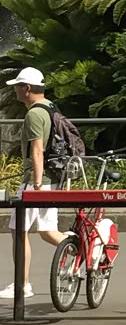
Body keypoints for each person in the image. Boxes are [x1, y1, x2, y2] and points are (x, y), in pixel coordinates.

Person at [4, 67, 68, 301]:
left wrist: (36, 185)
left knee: (18, 229)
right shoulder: (50, 107)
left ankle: (22, 285)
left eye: (17, 86)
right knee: (47, 231)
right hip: (53, 178)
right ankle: (80, 248)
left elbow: (37, 150)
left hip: (37, 181)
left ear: (27, 88)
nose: (15, 91)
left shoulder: (33, 114)